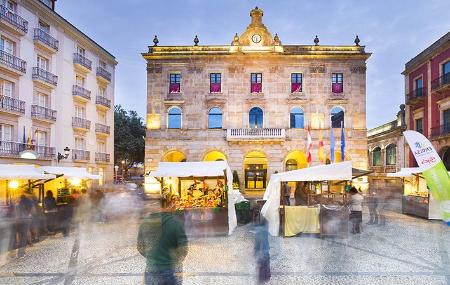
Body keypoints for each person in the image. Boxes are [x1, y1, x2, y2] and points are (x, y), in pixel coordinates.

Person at [137, 207, 188, 285]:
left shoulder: (145, 223)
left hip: (151, 268)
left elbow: (140, 247)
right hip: (170, 270)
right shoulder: (175, 223)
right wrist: (174, 260)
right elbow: (183, 249)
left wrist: (152, 256)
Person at [254, 217, 271, 284]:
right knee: (266, 265)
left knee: (261, 266)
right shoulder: (266, 230)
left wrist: (255, 251)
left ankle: (261, 281)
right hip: (266, 251)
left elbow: (257, 243)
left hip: (261, 253)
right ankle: (265, 279)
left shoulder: (258, 231)